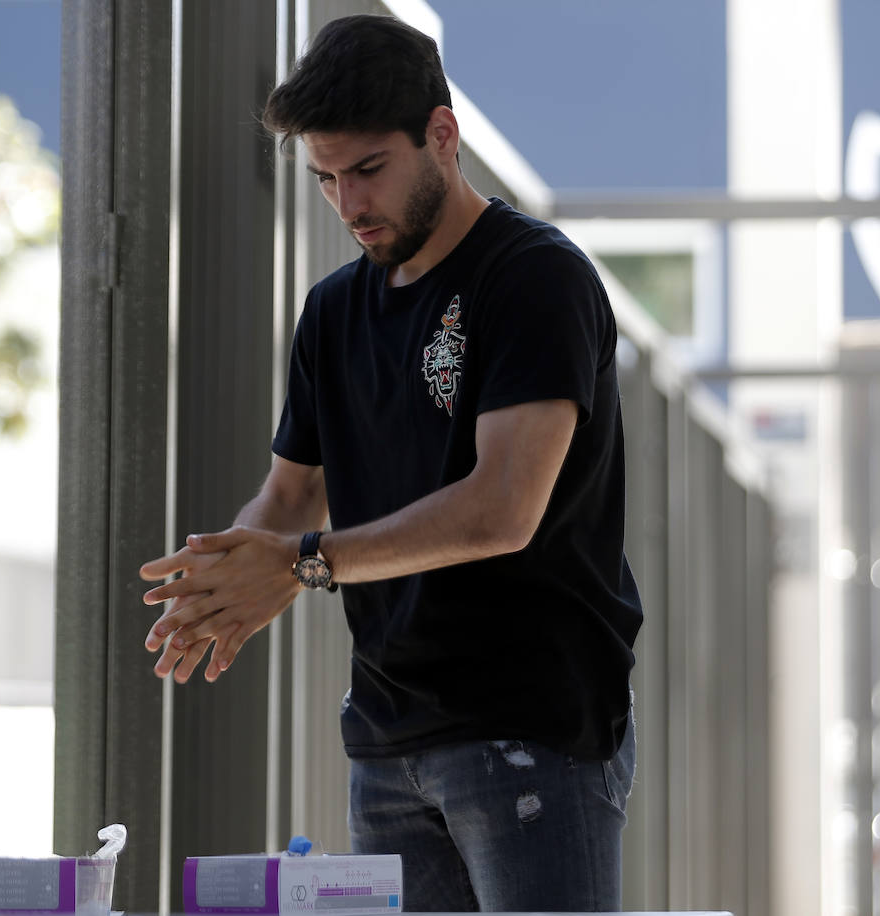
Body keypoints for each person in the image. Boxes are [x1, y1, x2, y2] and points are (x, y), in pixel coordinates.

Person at [139, 14, 642, 912]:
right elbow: (291, 492)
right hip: (385, 742)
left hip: (532, 732)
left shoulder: (534, 278)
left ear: (440, 136)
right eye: (325, 178)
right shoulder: (332, 312)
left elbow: (503, 508)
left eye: (368, 170)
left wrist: (301, 564)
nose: (348, 205)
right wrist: (223, 580)